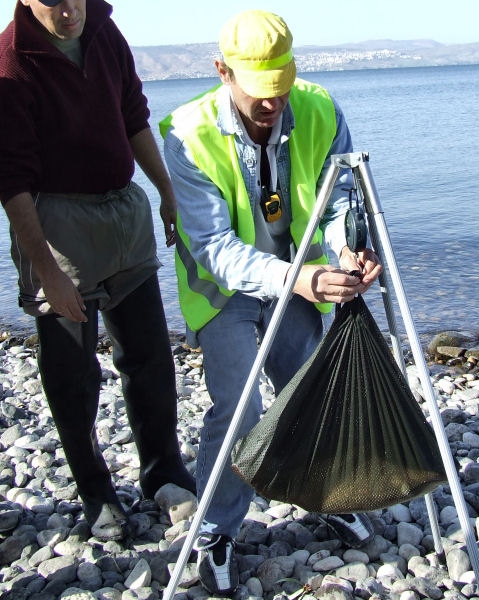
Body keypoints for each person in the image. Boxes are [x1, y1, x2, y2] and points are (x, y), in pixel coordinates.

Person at [161, 9, 383, 595]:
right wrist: (300, 280)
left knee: (306, 393)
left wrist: (347, 253)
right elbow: (213, 246)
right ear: (222, 72)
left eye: (280, 88)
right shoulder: (186, 135)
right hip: (225, 291)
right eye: (259, 92)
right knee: (239, 412)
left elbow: (340, 202)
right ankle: (214, 530)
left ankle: (322, 497)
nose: (272, 103)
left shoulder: (321, 109)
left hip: (300, 278)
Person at [0, 0, 195, 542]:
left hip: (123, 210)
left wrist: (166, 190)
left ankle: (163, 473)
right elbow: (12, 178)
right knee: (74, 372)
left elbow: (133, 116)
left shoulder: (103, 30)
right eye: (54, 0)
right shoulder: (7, 63)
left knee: (148, 354)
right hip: (55, 221)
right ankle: (95, 492)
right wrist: (47, 270)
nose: (69, 9)